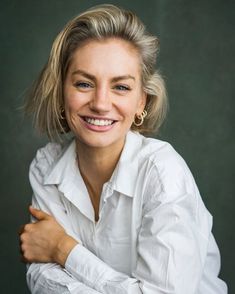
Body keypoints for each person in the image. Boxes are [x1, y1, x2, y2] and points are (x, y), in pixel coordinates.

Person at [19, 4, 227, 294]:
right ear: (61, 91)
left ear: (142, 101)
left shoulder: (163, 174)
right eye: (83, 83)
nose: (101, 103)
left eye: (121, 87)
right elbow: (42, 279)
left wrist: (64, 250)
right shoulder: (46, 167)